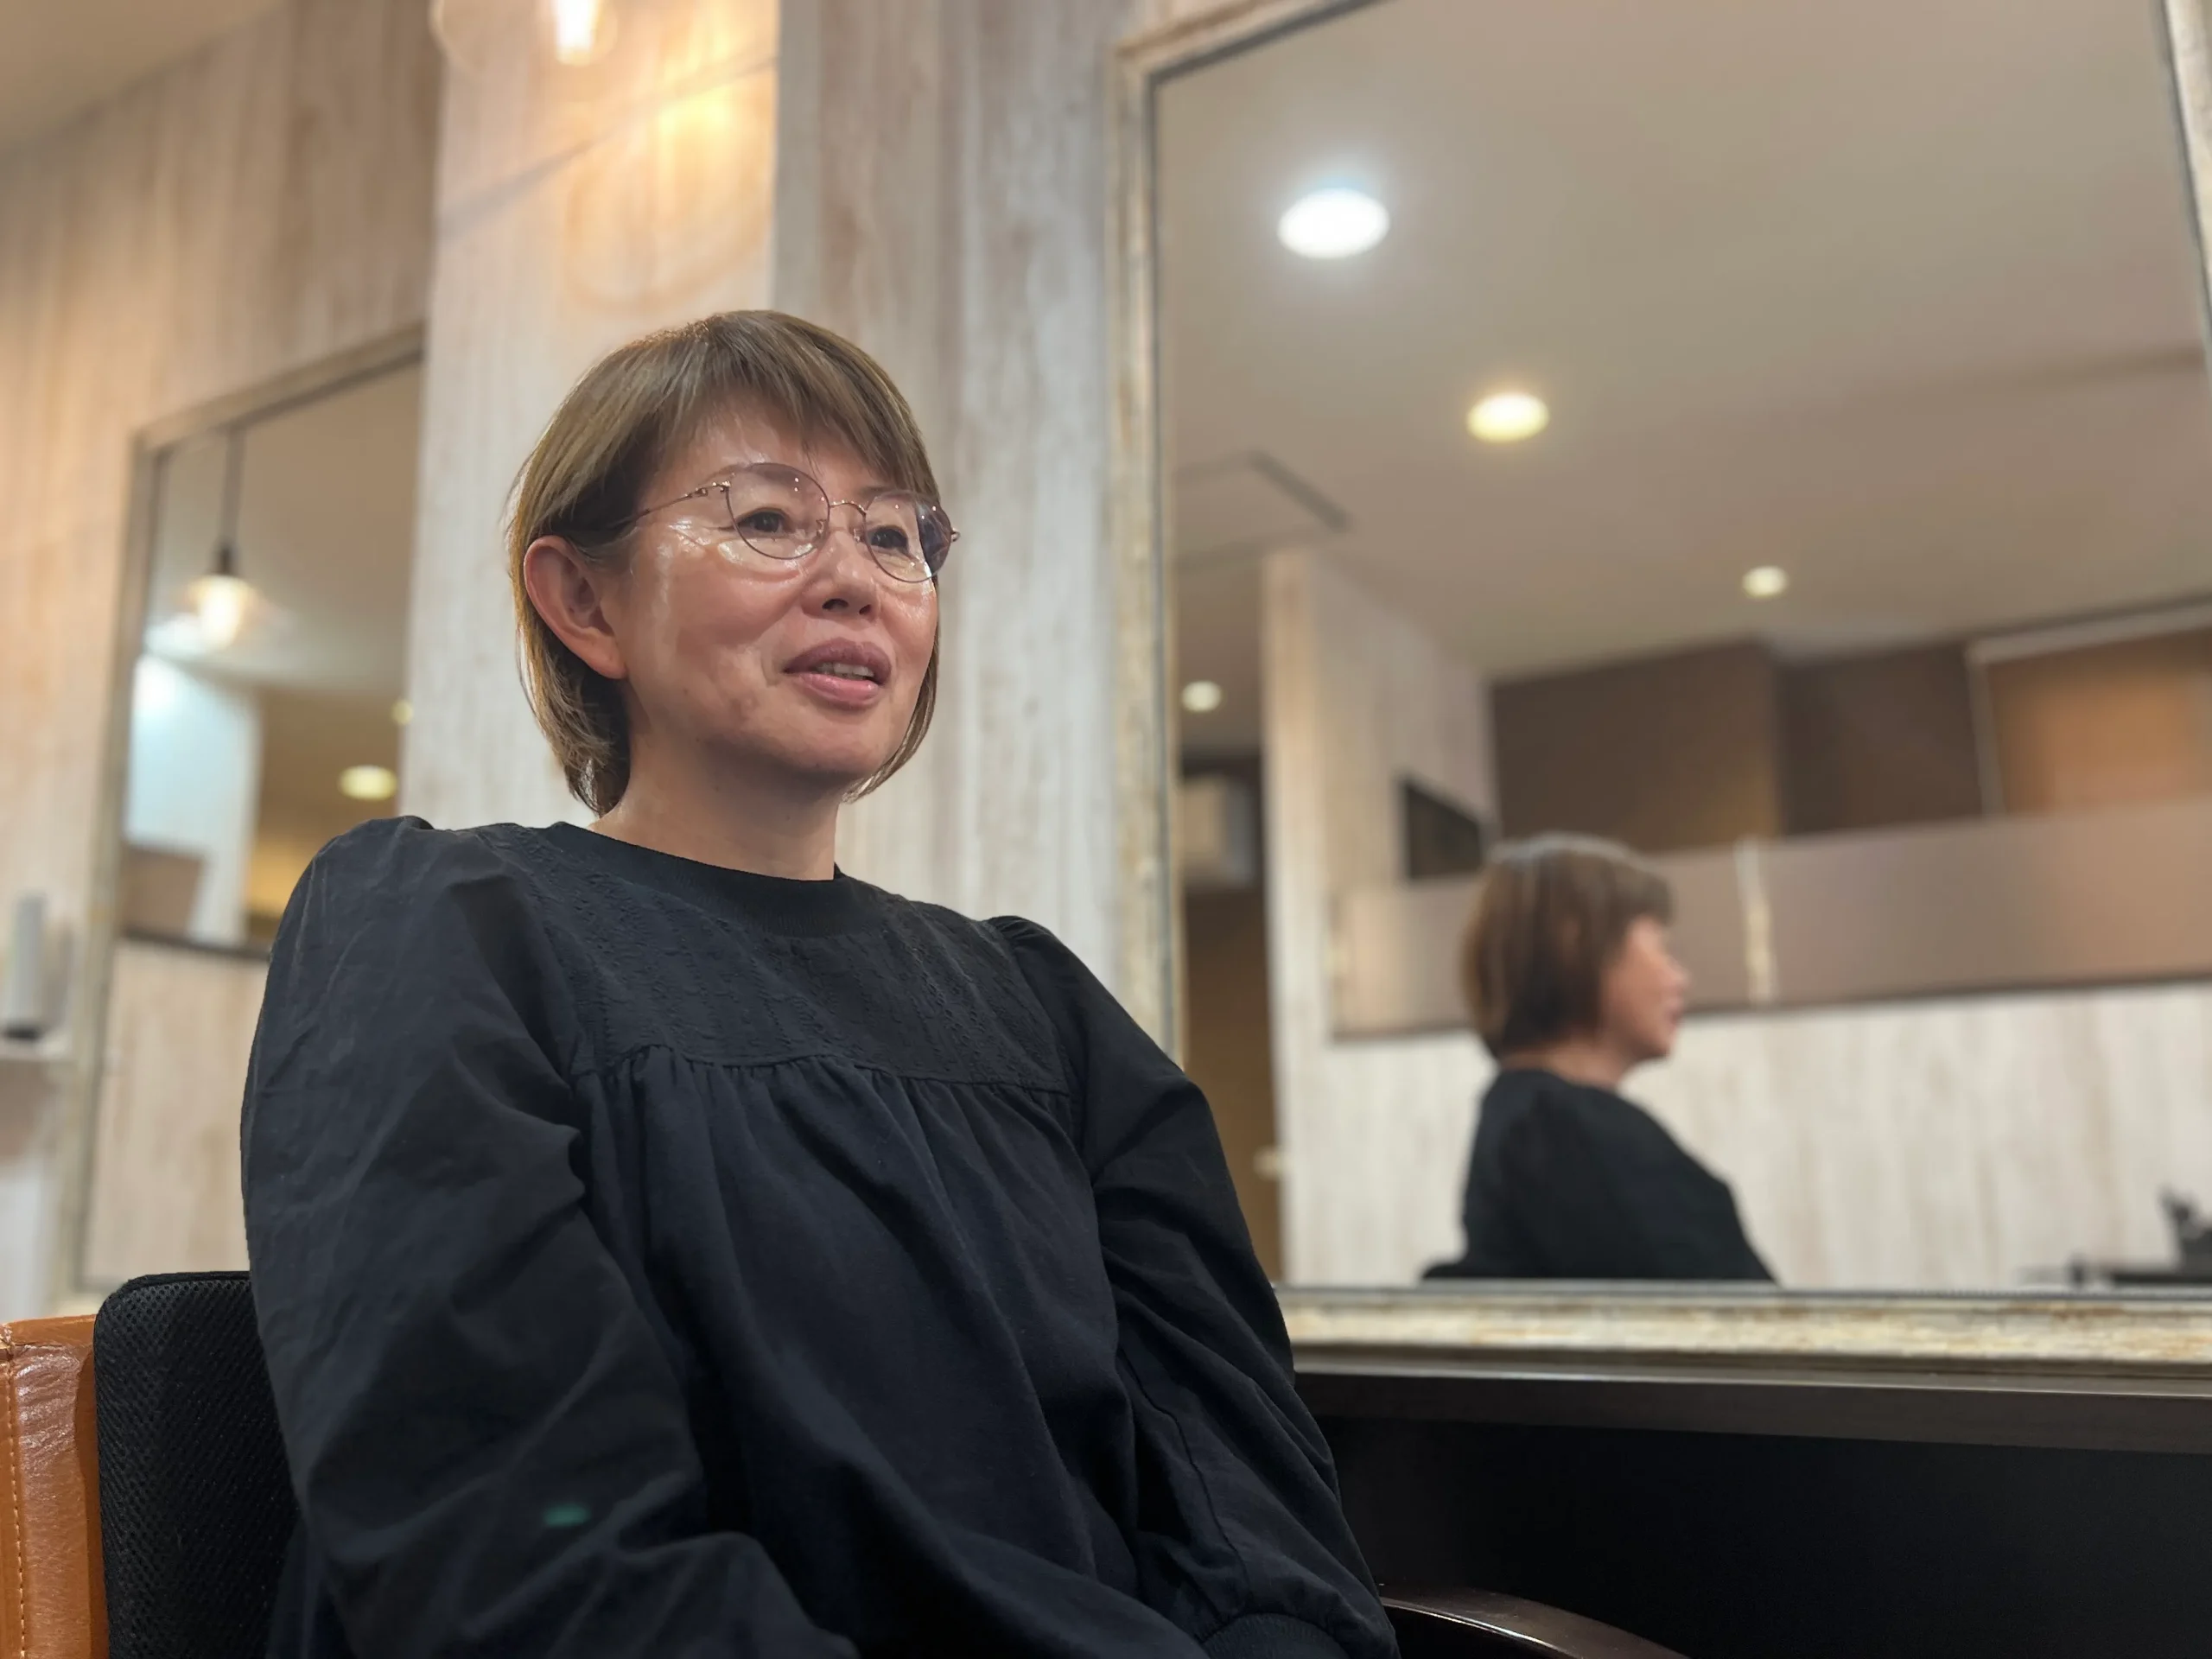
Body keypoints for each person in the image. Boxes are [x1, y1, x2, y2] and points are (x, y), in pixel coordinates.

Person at [242, 312, 1395, 1659]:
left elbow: (1250, 1507)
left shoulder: (1042, 1011)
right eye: (769, 520)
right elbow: (507, 1540)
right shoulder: (439, 928)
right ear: (587, 603)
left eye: (897, 536)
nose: (857, 579)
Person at [1427, 835, 1771, 1283]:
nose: (1680, 979)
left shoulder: (1533, 1121)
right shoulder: (1559, 1130)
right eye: (1663, 947)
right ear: (1575, 942)